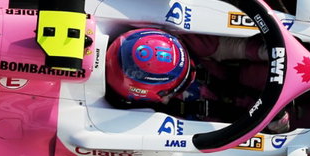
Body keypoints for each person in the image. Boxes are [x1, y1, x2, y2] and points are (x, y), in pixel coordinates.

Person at [105, 27, 269, 110]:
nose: (191, 76)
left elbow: (234, 48)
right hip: (246, 115)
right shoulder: (167, 118)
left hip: (240, 75)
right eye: (182, 81)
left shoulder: (192, 44)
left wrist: (264, 52)